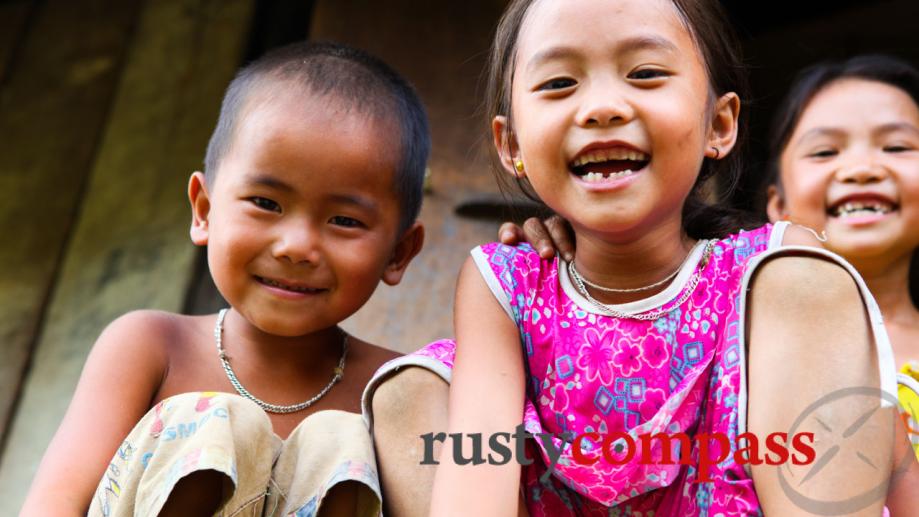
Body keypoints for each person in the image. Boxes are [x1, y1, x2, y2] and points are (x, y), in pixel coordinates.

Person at [366, 1, 902, 515]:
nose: (602, 108)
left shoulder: (776, 273)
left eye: (645, 73)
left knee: (806, 281)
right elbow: (476, 470)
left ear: (719, 125)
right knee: (411, 390)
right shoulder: (506, 282)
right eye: (558, 83)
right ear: (512, 146)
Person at [20, 41, 429, 517]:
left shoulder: (398, 389)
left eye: (343, 220)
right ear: (205, 210)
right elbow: (54, 505)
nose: (296, 246)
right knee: (219, 424)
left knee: (336, 443)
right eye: (266, 203)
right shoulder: (150, 347)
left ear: (398, 253)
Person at [761, 55, 919, 463]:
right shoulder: (742, 346)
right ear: (778, 206)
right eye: (825, 152)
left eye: (897, 146)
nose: (861, 169)